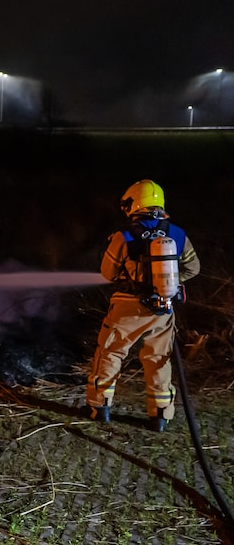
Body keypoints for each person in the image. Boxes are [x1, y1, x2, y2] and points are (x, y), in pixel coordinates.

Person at [87, 179, 199, 432]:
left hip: (127, 308)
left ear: (134, 204)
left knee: (111, 353)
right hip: (162, 309)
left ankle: (100, 407)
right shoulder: (177, 234)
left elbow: (107, 274)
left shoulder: (124, 235)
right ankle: (160, 416)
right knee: (159, 359)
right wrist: (169, 282)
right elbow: (194, 268)